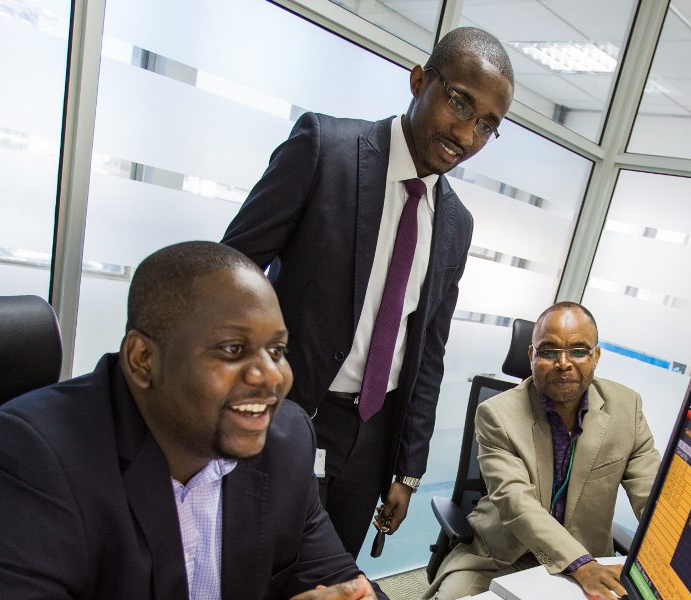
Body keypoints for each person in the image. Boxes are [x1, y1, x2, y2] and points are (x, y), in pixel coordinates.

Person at [0, 241, 382, 600]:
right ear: (143, 359)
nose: (270, 378)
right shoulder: (24, 463)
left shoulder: (285, 440)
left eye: (277, 351)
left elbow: (338, 579)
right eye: (232, 350)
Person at [220, 27, 515, 556]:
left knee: (331, 578)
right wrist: (233, 396)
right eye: (459, 103)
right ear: (419, 79)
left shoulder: (455, 224)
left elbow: (428, 354)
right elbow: (231, 274)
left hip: (372, 441)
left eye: (488, 125)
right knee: (252, 568)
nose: (467, 134)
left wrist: (408, 469)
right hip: (286, 412)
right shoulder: (324, 149)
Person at [424, 302, 662, 600]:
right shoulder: (496, 414)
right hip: (500, 558)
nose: (563, 363)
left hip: (588, 560)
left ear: (596, 356)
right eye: (549, 351)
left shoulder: (627, 407)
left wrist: (675, 554)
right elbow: (515, 502)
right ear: (531, 355)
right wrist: (580, 564)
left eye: (578, 351)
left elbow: (653, 497)